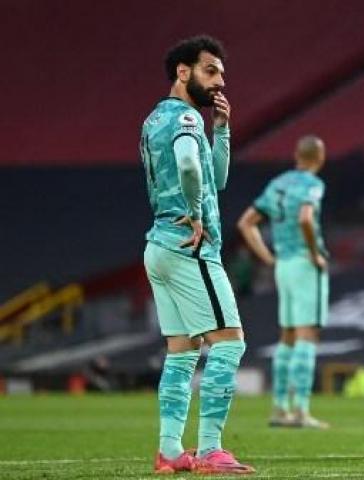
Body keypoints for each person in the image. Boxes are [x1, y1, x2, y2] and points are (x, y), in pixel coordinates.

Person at [141, 35, 254, 475]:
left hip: (158, 248)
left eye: (222, 73)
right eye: (211, 71)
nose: (220, 81)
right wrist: (194, 214)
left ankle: (170, 450)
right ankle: (210, 450)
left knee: (182, 352)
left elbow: (216, 180)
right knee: (229, 343)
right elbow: (189, 168)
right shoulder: (186, 118)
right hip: (190, 247)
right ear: (183, 72)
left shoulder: (155, 120)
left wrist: (222, 132)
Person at [238, 135, 329, 429]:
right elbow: (305, 217)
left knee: (287, 336)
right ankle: (301, 411)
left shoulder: (278, 183)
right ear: (320, 157)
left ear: (296, 155)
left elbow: (246, 222)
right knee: (306, 335)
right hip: (304, 262)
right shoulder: (312, 184)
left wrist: (267, 257)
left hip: (283, 265)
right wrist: (315, 253)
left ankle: (279, 408)